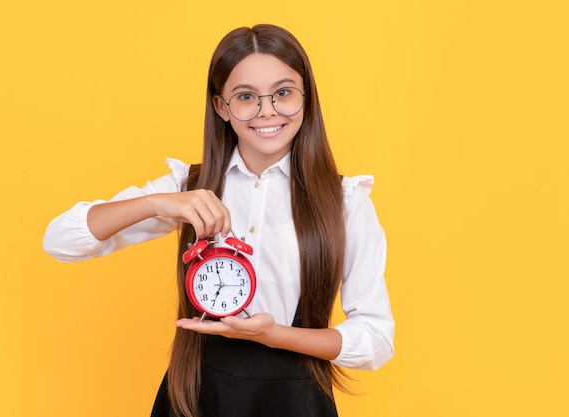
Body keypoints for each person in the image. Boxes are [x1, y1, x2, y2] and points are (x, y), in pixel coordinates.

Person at [43, 24, 394, 417]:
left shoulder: (345, 202)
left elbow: (376, 340)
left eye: (282, 93)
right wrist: (159, 202)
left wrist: (273, 334)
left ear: (306, 97)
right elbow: (60, 242)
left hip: (296, 403)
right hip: (197, 396)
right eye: (246, 97)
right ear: (221, 107)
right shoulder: (190, 187)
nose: (267, 111)